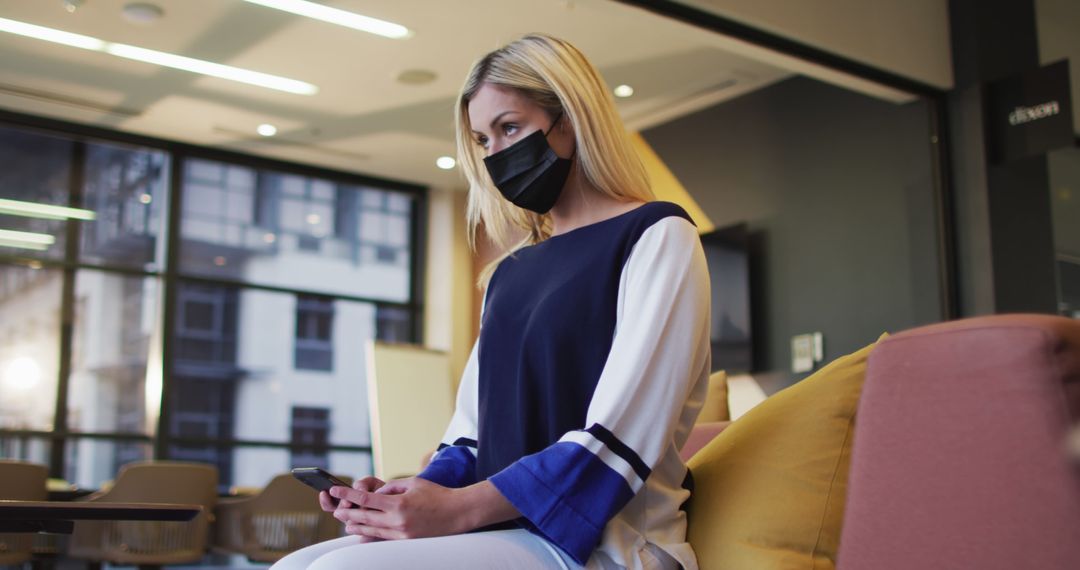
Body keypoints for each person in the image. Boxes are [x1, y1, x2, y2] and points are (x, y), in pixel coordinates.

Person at [272, 33, 711, 570]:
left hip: (610, 544)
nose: (496, 155)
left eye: (510, 128)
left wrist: (455, 511)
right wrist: (409, 499)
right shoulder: (508, 273)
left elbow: (618, 440)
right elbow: (470, 435)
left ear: (570, 120)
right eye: (483, 139)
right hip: (501, 529)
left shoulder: (657, 235)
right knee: (294, 567)